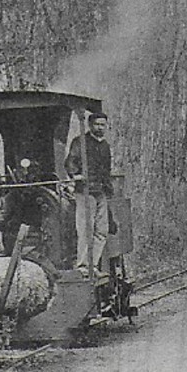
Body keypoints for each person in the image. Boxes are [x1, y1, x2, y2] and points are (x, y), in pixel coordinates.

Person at [63, 110, 115, 274]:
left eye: (103, 125)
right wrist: (75, 174)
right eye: (97, 124)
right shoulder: (80, 142)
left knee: (102, 230)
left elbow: (106, 169)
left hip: (101, 191)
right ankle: (83, 265)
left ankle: (93, 264)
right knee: (86, 228)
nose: (100, 128)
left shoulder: (105, 145)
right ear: (90, 125)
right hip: (86, 191)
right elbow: (70, 160)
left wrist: (108, 188)